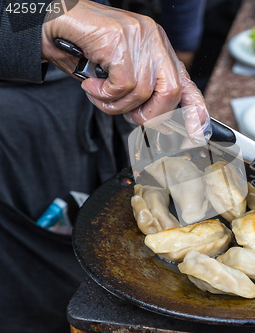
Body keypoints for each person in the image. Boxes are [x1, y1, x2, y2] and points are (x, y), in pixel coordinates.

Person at [0, 0, 209, 331]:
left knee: (113, 234)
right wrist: (29, 19)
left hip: (112, 71)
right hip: (17, 110)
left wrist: (178, 45)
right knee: (40, 278)